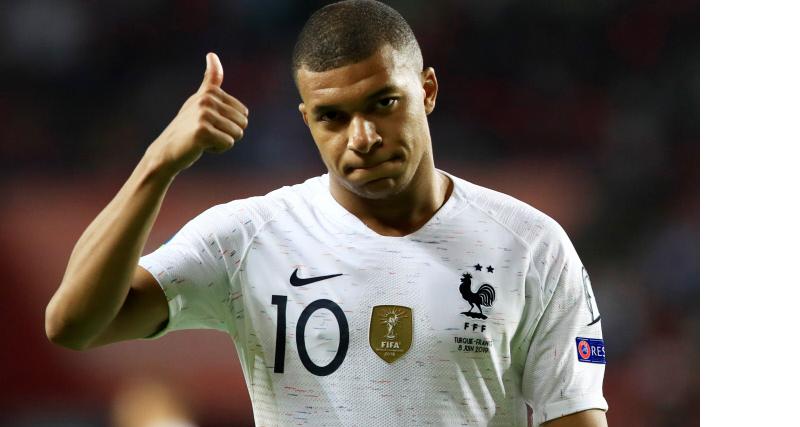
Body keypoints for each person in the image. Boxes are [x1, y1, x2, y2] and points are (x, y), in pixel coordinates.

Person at [45, 1, 609, 425]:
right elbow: (72, 325)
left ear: (428, 90)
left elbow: (573, 416)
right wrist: (157, 164)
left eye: (383, 103)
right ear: (306, 118)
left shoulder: (530, 245)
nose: (362, 137)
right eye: (332, 117)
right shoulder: (248, 239)